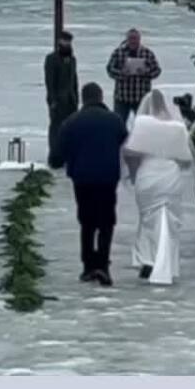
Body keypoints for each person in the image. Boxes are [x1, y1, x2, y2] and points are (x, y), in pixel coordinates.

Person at [50, 82, 128, 287]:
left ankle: (88, 266)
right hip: (107, 178)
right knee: (106, 221)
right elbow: (124, 141)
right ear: (101, 97)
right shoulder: (115, 120)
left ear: (83, 99)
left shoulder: (71, 122)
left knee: (87, 222)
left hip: (82, 179)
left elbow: (56, 155)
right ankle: (103, 264)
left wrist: (70, 161)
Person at [122, 90, 195, 284]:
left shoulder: (142, 124)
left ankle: (148, 259)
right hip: (169, 176)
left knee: (147, 219)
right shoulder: (177, 127)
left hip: (147, 175)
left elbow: (130, 152)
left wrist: (133, 173)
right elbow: (185, 160)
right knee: (169, 220)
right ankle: (167, 263)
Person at [106, 28, 161, 122]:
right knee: (118, 124)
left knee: (143, 125)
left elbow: (157, 71)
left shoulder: (147, 53)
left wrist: (146, 73)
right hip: (122, 97)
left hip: (141, 97)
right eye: (131, 38)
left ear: (139, 39)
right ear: (126, 39)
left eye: (135, 38)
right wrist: (121, 73)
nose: (133, 41)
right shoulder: (118, 52)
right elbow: (109, 70)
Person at [45, 30, 79, 163]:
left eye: (69, 41)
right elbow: (50, 80)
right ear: (59, 42)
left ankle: (68, 155)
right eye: (64, 41)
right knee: (56, 128)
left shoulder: (72, 59)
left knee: (71, 128)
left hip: (71, 100)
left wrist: (76, 97)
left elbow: (74, 80)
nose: (67, 43)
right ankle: (55, 156)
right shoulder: (52, 59)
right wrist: (52, 100)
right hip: (57, 100)